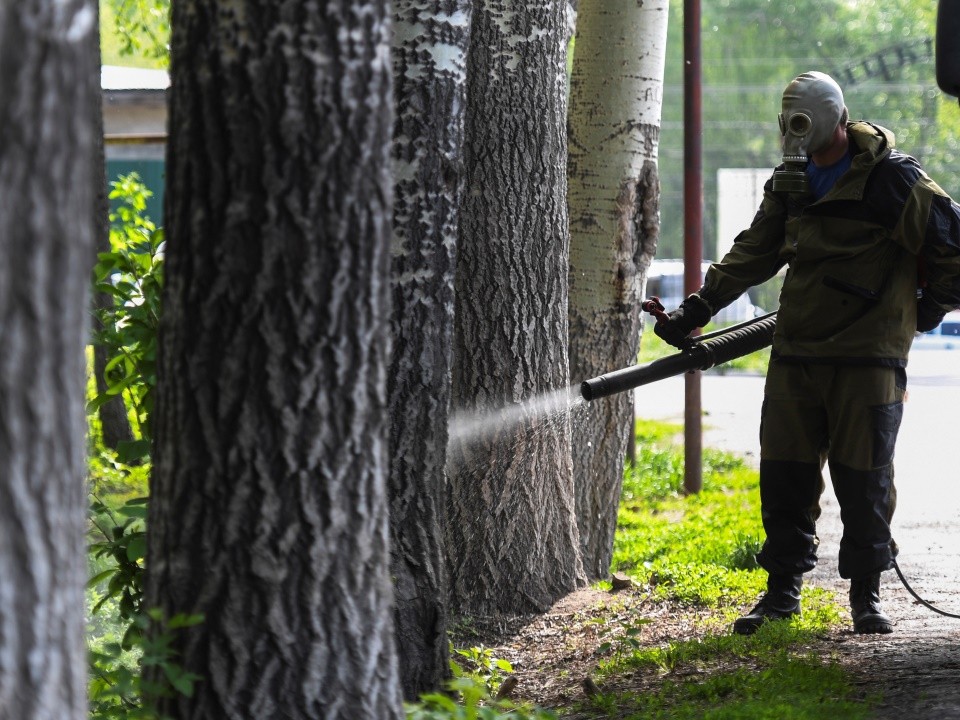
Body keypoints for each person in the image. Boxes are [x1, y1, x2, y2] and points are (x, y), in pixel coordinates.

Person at [654, 71, 960, 635]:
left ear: (834, 119)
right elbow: (755, 251)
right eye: (788, 122)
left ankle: (866, 597)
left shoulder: (894, 181)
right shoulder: (791, 180)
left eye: (803, 121)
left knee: (863, 477)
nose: (795, 133)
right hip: (798, 351)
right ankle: (781, 593)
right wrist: (697, 311)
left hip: (868, 357)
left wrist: (925, 311)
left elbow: (953, 248)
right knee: (785, 475)